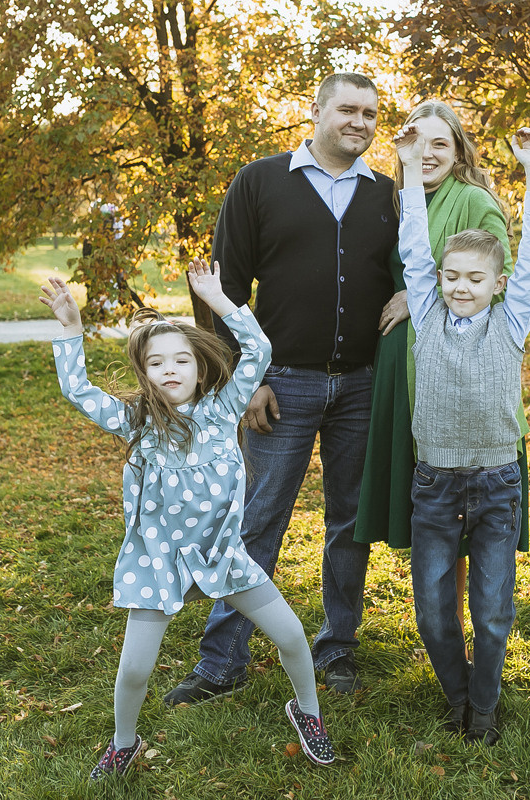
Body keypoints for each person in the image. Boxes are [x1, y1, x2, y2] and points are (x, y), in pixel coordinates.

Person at [38, 259, 335, 779]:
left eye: (181, 360)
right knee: (134, 670)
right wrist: (71, 329)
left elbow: (260, 351)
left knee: (290, 637)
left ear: (200, 369)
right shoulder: (141, 423)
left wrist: (221, 302)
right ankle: (123, 742)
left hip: (223, 556)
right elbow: (79, 392)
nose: (170, 370)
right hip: (158, 563)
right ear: (144, 372)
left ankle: (308, 711)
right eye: (157, 363)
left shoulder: (223, 412)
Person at [164, 72, 399, 705]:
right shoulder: (262, 181)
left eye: (370, 114)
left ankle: (338, 647)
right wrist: (245, 380)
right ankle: (222, 659)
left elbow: (411, 267)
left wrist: (408, 290)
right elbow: (221, 288)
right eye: (347, 109)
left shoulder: (388, 196)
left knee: (350, 523)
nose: (360, 122)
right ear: (317, 112)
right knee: (257, 520)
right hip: (280, 384)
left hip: (361, 386)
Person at [354, 101, 530, 649]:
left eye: (441, 143)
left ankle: (460, 619)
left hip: (454, 365)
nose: (429, 154)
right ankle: (441, 617)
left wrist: (421, 293)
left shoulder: (474, 200)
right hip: (399, 362)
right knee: (431, 493)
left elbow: (496, 268)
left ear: (459, 151)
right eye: (420, 143)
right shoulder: (398, 197)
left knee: (460, 494)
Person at [394, 122, 530, 745]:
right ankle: (459, 695)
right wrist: (408, 167)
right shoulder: (427, 313)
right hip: (434, 484)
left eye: (474, 279)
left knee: (490, 613)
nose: (461, 286)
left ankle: (482, 710)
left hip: (495, 485)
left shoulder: (510, 323)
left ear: (497, 284)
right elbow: (412, 244)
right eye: (452, 275)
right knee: (434, 615)